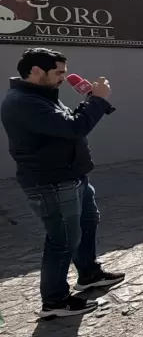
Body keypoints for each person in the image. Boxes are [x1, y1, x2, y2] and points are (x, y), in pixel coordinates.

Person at [0, 48, 124, 318]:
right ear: (36, 71)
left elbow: (67, 125)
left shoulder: (41, 97)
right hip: (52, 183)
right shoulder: (23, 102)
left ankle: (89, 275)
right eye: (58, 72)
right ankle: (55, 301)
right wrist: (98, 101)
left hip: (72, 176)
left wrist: (91, 101)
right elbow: (74, 128)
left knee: (87, 222)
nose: (63, 78)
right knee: (62, 241)